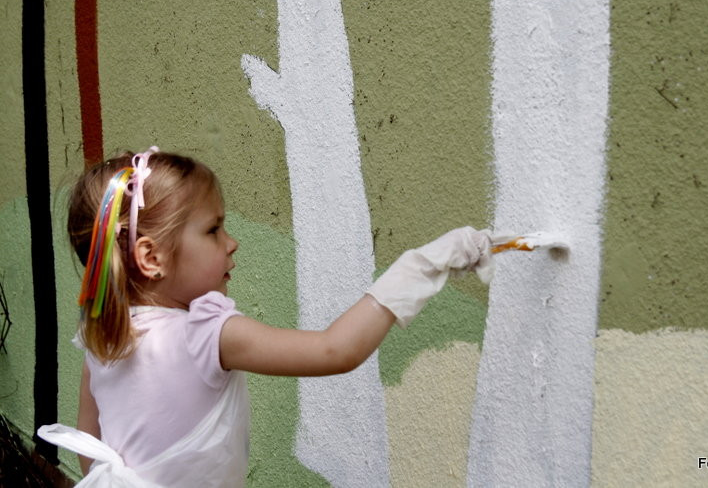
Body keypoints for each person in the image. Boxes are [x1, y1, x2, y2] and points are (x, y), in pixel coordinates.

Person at [38, 147, 494, 487]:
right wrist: (419, 268)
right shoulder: (205, 335)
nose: (231, 242)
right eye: (214, 229)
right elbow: (335, 350)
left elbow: (90, 441)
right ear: (150, 256)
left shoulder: (103, 334)